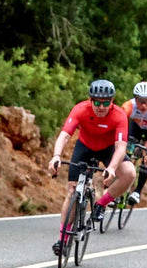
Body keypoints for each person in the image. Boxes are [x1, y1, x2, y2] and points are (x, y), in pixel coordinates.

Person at [47, 79, 134, 255]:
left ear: (112, 101)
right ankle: (62, 240)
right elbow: (64, 135)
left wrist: (111, 168)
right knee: (72, 192)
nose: (101, 106)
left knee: (129, 173)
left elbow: (120, 147)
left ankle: (101, 204)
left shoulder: (119, 115)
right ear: (90, 100)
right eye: (96, 102)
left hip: (108, 149)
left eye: (105, 102)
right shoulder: (80, 109)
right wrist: (56, 156)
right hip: (84, 147)